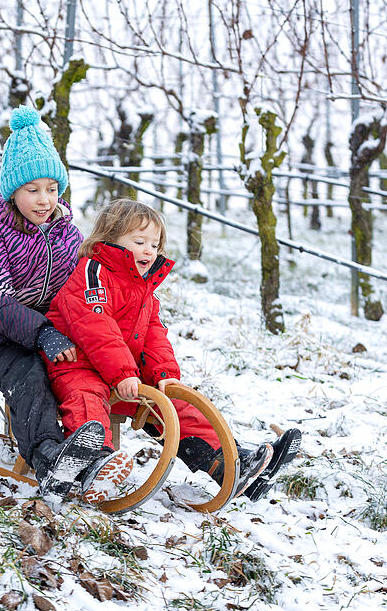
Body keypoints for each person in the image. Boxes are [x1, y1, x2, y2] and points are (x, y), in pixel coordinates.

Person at [45, 199, 300, 502]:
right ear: (110, 239)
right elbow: (96, 327)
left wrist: (164, 373)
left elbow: (154, 334)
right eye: (139, 242)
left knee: (176, 405)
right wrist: (123, 373)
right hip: (78, 366)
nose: (149, 251)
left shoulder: (143, 288)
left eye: (154, 245)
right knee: (87, 400)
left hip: (124, 375)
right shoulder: (92, 273)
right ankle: (94, 463)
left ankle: (230, 464)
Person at [0, 105, 134, 503]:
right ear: (13, 191)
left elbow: (83, 285)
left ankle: (91, 455)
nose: (44, 200)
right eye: (32, 190)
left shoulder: (66, 233)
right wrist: (42, 333)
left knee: (80, 374)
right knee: (31, 377)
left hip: (51, 331)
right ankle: (50, 460)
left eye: (52, 189)